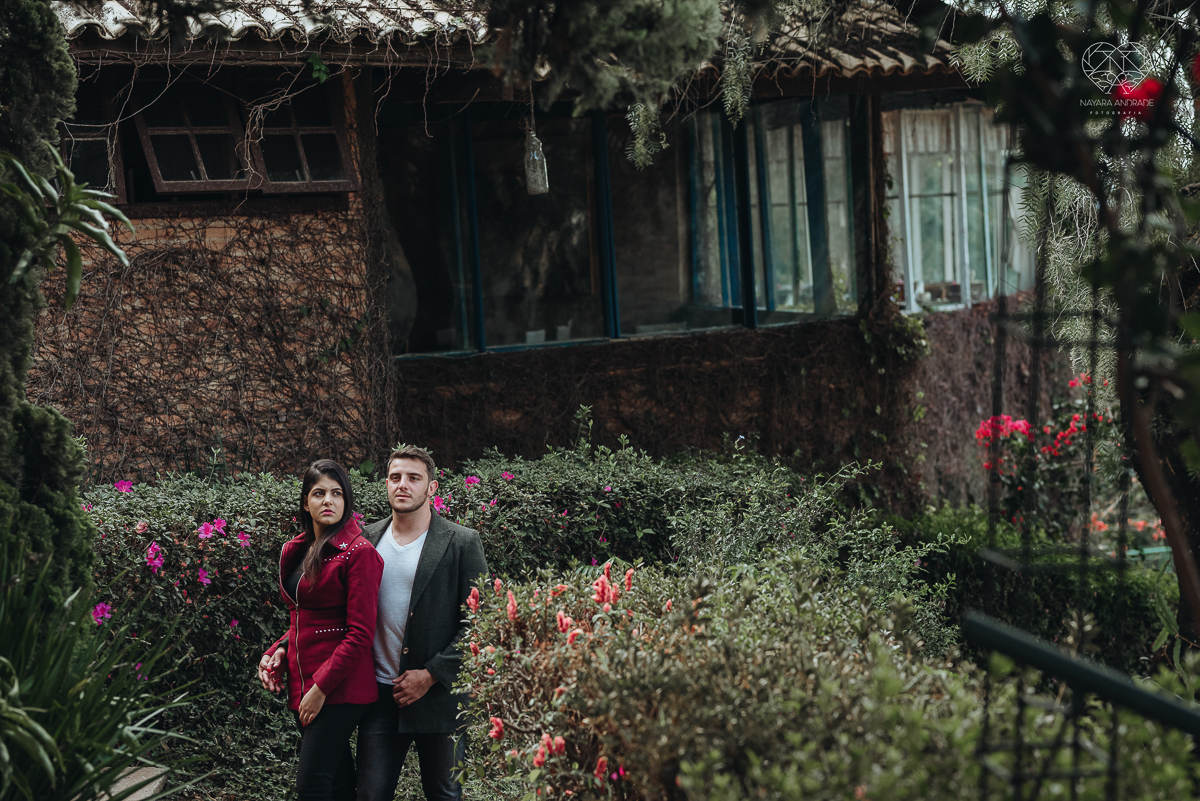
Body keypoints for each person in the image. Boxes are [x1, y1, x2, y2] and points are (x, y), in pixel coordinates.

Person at [355, 445, 488, 801]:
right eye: (395, 477)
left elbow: (481, 623)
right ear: (386, 484)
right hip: (380, 696)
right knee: (368, 793)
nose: (403, 485)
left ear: (432, 487)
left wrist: (430, 675)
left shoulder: (462, 542)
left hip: (440, 698)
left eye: (414, 478)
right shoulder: (365, 540)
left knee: (444, 794)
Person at [257, 460, 383, 801]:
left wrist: (320, 689)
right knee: (338, 783)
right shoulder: (300, 549)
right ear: (305, 502)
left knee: (312, 784)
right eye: (319, 493)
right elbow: (302, 616)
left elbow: (360, 633)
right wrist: (277, 650)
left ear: (347, 502)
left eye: (337, 493)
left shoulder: (360, 554)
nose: (328, 500)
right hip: (304, 683)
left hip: (338, 689)